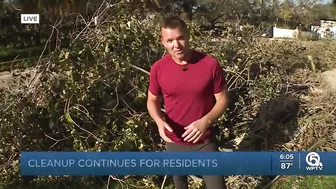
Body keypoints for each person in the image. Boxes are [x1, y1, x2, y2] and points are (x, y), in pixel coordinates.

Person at [146, 16, 228, 189]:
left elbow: (222, 99)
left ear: (188, 35)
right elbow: (152, 100)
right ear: (163, 42)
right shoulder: (158, 68)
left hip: (204, 141)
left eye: (180, 38)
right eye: (170, 40)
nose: (176, 45)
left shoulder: (210, 64)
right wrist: (159, 121)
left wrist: (205, 122)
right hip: (174, 142)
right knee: (180, 184)